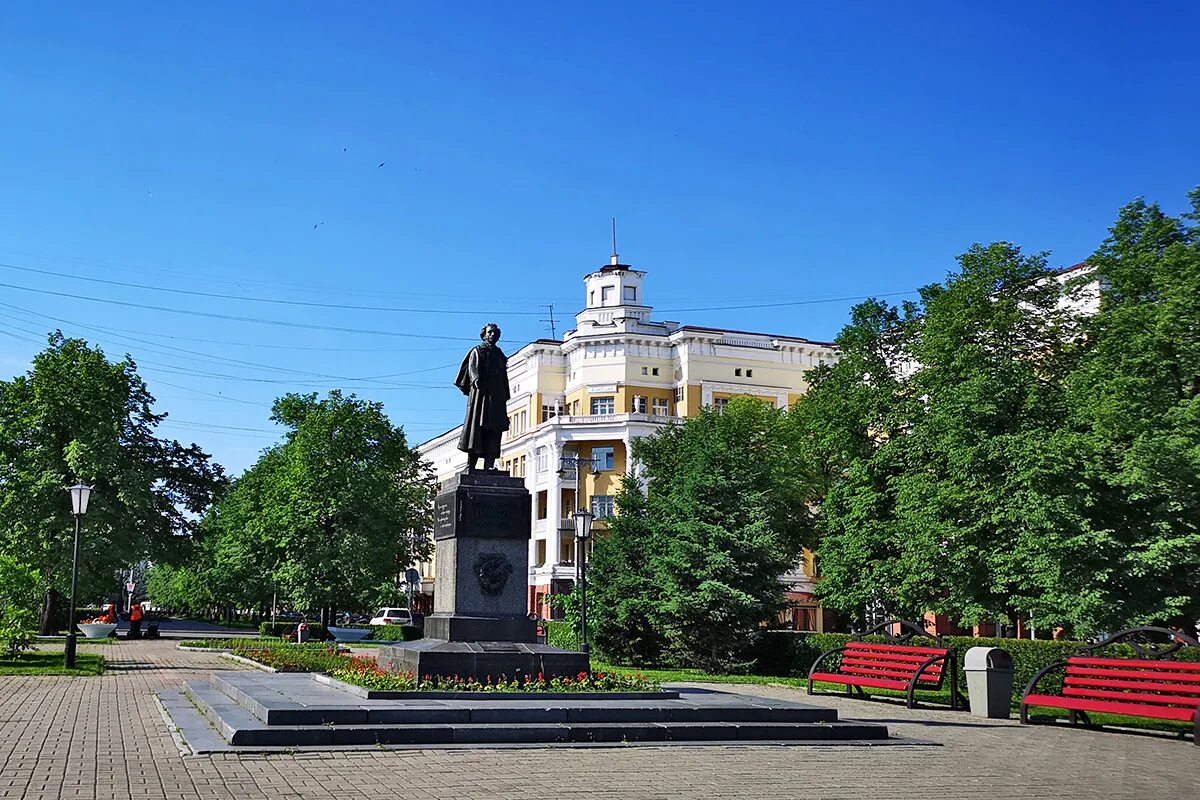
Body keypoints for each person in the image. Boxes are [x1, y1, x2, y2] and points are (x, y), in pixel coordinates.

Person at [454, 323, 510, 472]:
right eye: (490, 332)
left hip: (496, 398)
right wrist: (475, 378)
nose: (493, 335)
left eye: (495, 333)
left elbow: (504, 377)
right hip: (481, 396)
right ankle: (470, 465)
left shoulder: (499, 354)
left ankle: (489, 465)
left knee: (494, 430)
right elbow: (472, 367)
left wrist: (504, 395)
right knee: (477, 430)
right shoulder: (478, 351)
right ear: (484, 335)